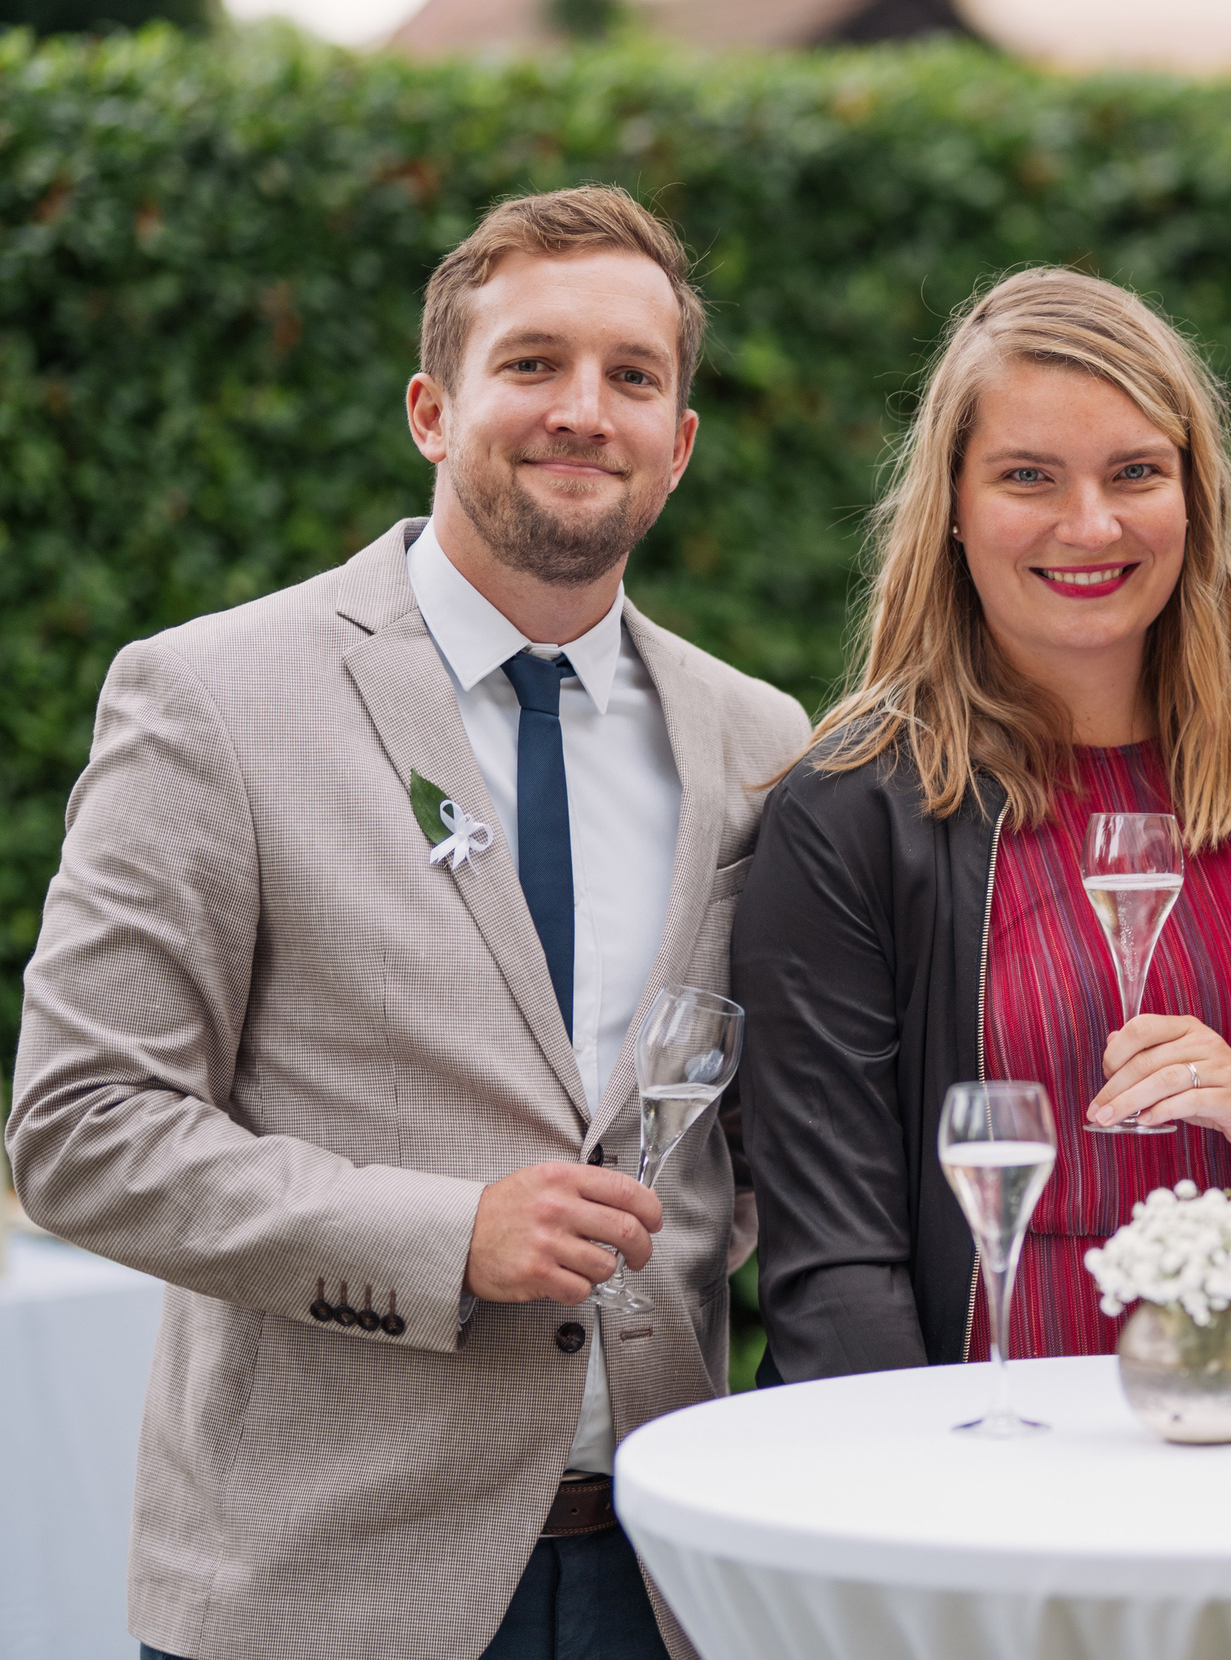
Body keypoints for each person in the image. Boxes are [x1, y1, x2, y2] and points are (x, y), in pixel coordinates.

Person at [6, 185, 809, 1660]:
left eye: (634, 377)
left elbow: (748, 1143)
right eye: (533, 363)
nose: (585, 408)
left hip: (668, 1575)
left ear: (679, 443)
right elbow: (78, 1127)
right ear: (434, 409)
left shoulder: (756, 736)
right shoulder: (213, 697)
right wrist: (449, 1234)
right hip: (322, 1584)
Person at [736, 267, 1231, 1380]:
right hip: (994, 1460)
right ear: (951, 505)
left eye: (1135, 472)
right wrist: (936, 1511)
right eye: (1028, 477)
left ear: (1193, 497)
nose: (1090, 525)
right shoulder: (848, 815)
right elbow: (834, 1269)